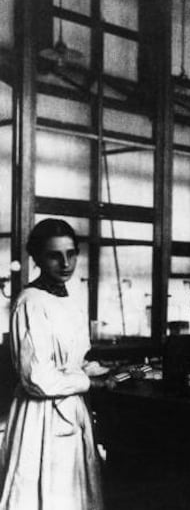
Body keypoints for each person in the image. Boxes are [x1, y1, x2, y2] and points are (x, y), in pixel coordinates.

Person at [0, 218, 104, 510]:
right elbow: (37, 378)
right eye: (55, 255)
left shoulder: (70, 299)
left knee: (72, 496)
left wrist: (95, 370)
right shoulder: (30, 302)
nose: (66, 263)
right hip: (40, 416)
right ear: (36, 258)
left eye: (71, 254)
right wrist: (88, 382)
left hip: (70, 410)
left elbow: (71, 360)